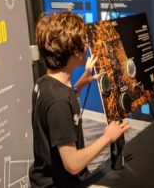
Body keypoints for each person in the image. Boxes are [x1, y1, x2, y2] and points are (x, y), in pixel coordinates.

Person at [29, 11, 131, 188]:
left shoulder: (44, 83)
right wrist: (107, 137)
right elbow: (73, 164)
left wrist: (78, 87)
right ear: (74, 51)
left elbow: (54, 116)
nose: (86, 46)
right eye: (83, 42)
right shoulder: (59, 102)